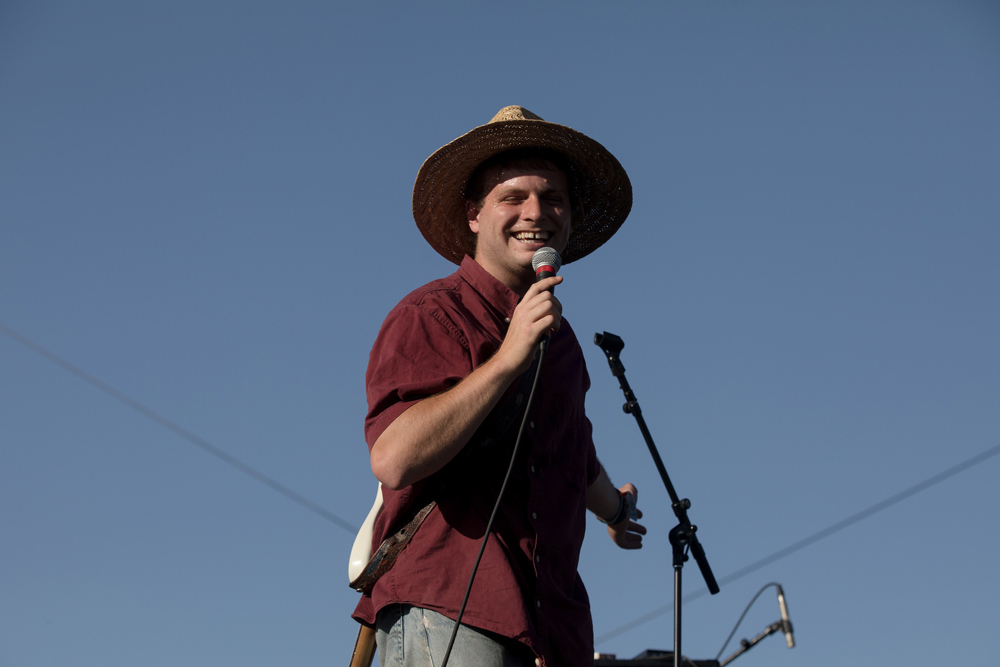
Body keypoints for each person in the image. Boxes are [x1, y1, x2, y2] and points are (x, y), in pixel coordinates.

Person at [352, 106, 645, 666]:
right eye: (513, 197)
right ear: (473, 215)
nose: (536, 212)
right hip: (452, 609)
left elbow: (572, 452)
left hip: (554, 627)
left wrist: (614, 511)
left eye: (553, 198)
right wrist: (509, 357)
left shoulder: (562, 343)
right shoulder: (431, 314)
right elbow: (393, 458)